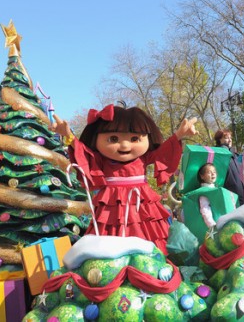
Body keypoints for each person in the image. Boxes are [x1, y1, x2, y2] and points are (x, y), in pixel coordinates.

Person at [51, 104, 198, 254]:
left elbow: (163, 152)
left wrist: (179, 135)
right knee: (111, 236)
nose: (125, 144)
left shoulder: (144, 158)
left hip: (142, 202)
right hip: (112, 203)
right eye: (114, 138)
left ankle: (150, 262)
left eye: (135, 138)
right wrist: (69, 135)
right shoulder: (101, 160)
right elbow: (84, 153)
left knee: (148, 235)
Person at [214, 129, 244, 205]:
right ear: (219, 140)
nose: (230, 140)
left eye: (230, 138)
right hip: (230, 195)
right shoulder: (219, 154)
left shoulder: (235, 155)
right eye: (226, 138)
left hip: (241, 192)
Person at [197, 163, 218, 229]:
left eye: (214, 172)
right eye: (209, 172)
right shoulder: (204, 191)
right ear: (202, 176)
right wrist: (212, 225)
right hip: (214, 225)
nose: (213, 174)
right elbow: (205, 209)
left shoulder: (215, 188)